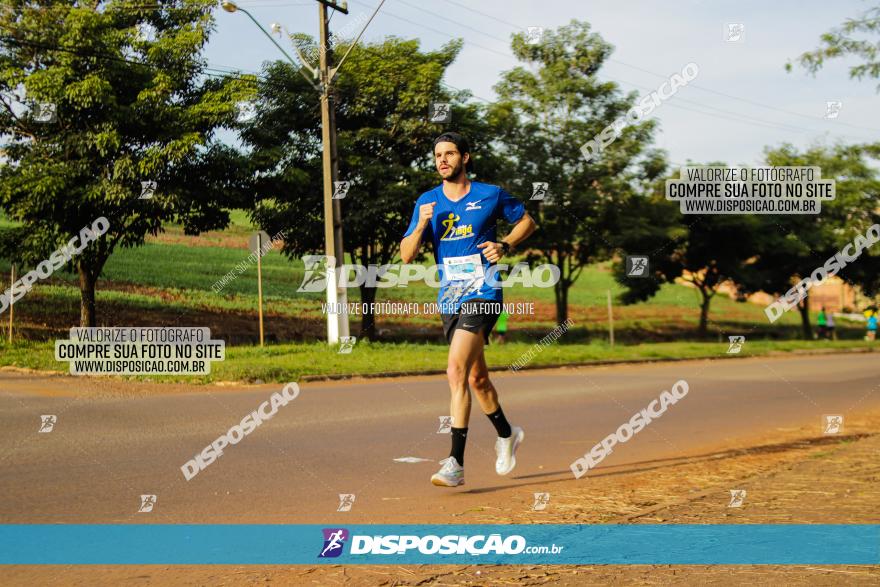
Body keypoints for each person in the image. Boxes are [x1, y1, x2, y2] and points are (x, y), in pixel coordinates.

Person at [400, 131, 537, 487]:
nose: (442, 160)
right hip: (450, 296)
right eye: (437, 155)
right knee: (476, 379)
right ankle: (507, 434)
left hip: (484, 291)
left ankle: (455, 463)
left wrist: (504, 244)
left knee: (455, 370)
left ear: (466, 157)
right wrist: (423, 225)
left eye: (449, 154)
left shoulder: (489, 194)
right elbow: (406, 254)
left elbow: (527, 221)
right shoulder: (427, 202)